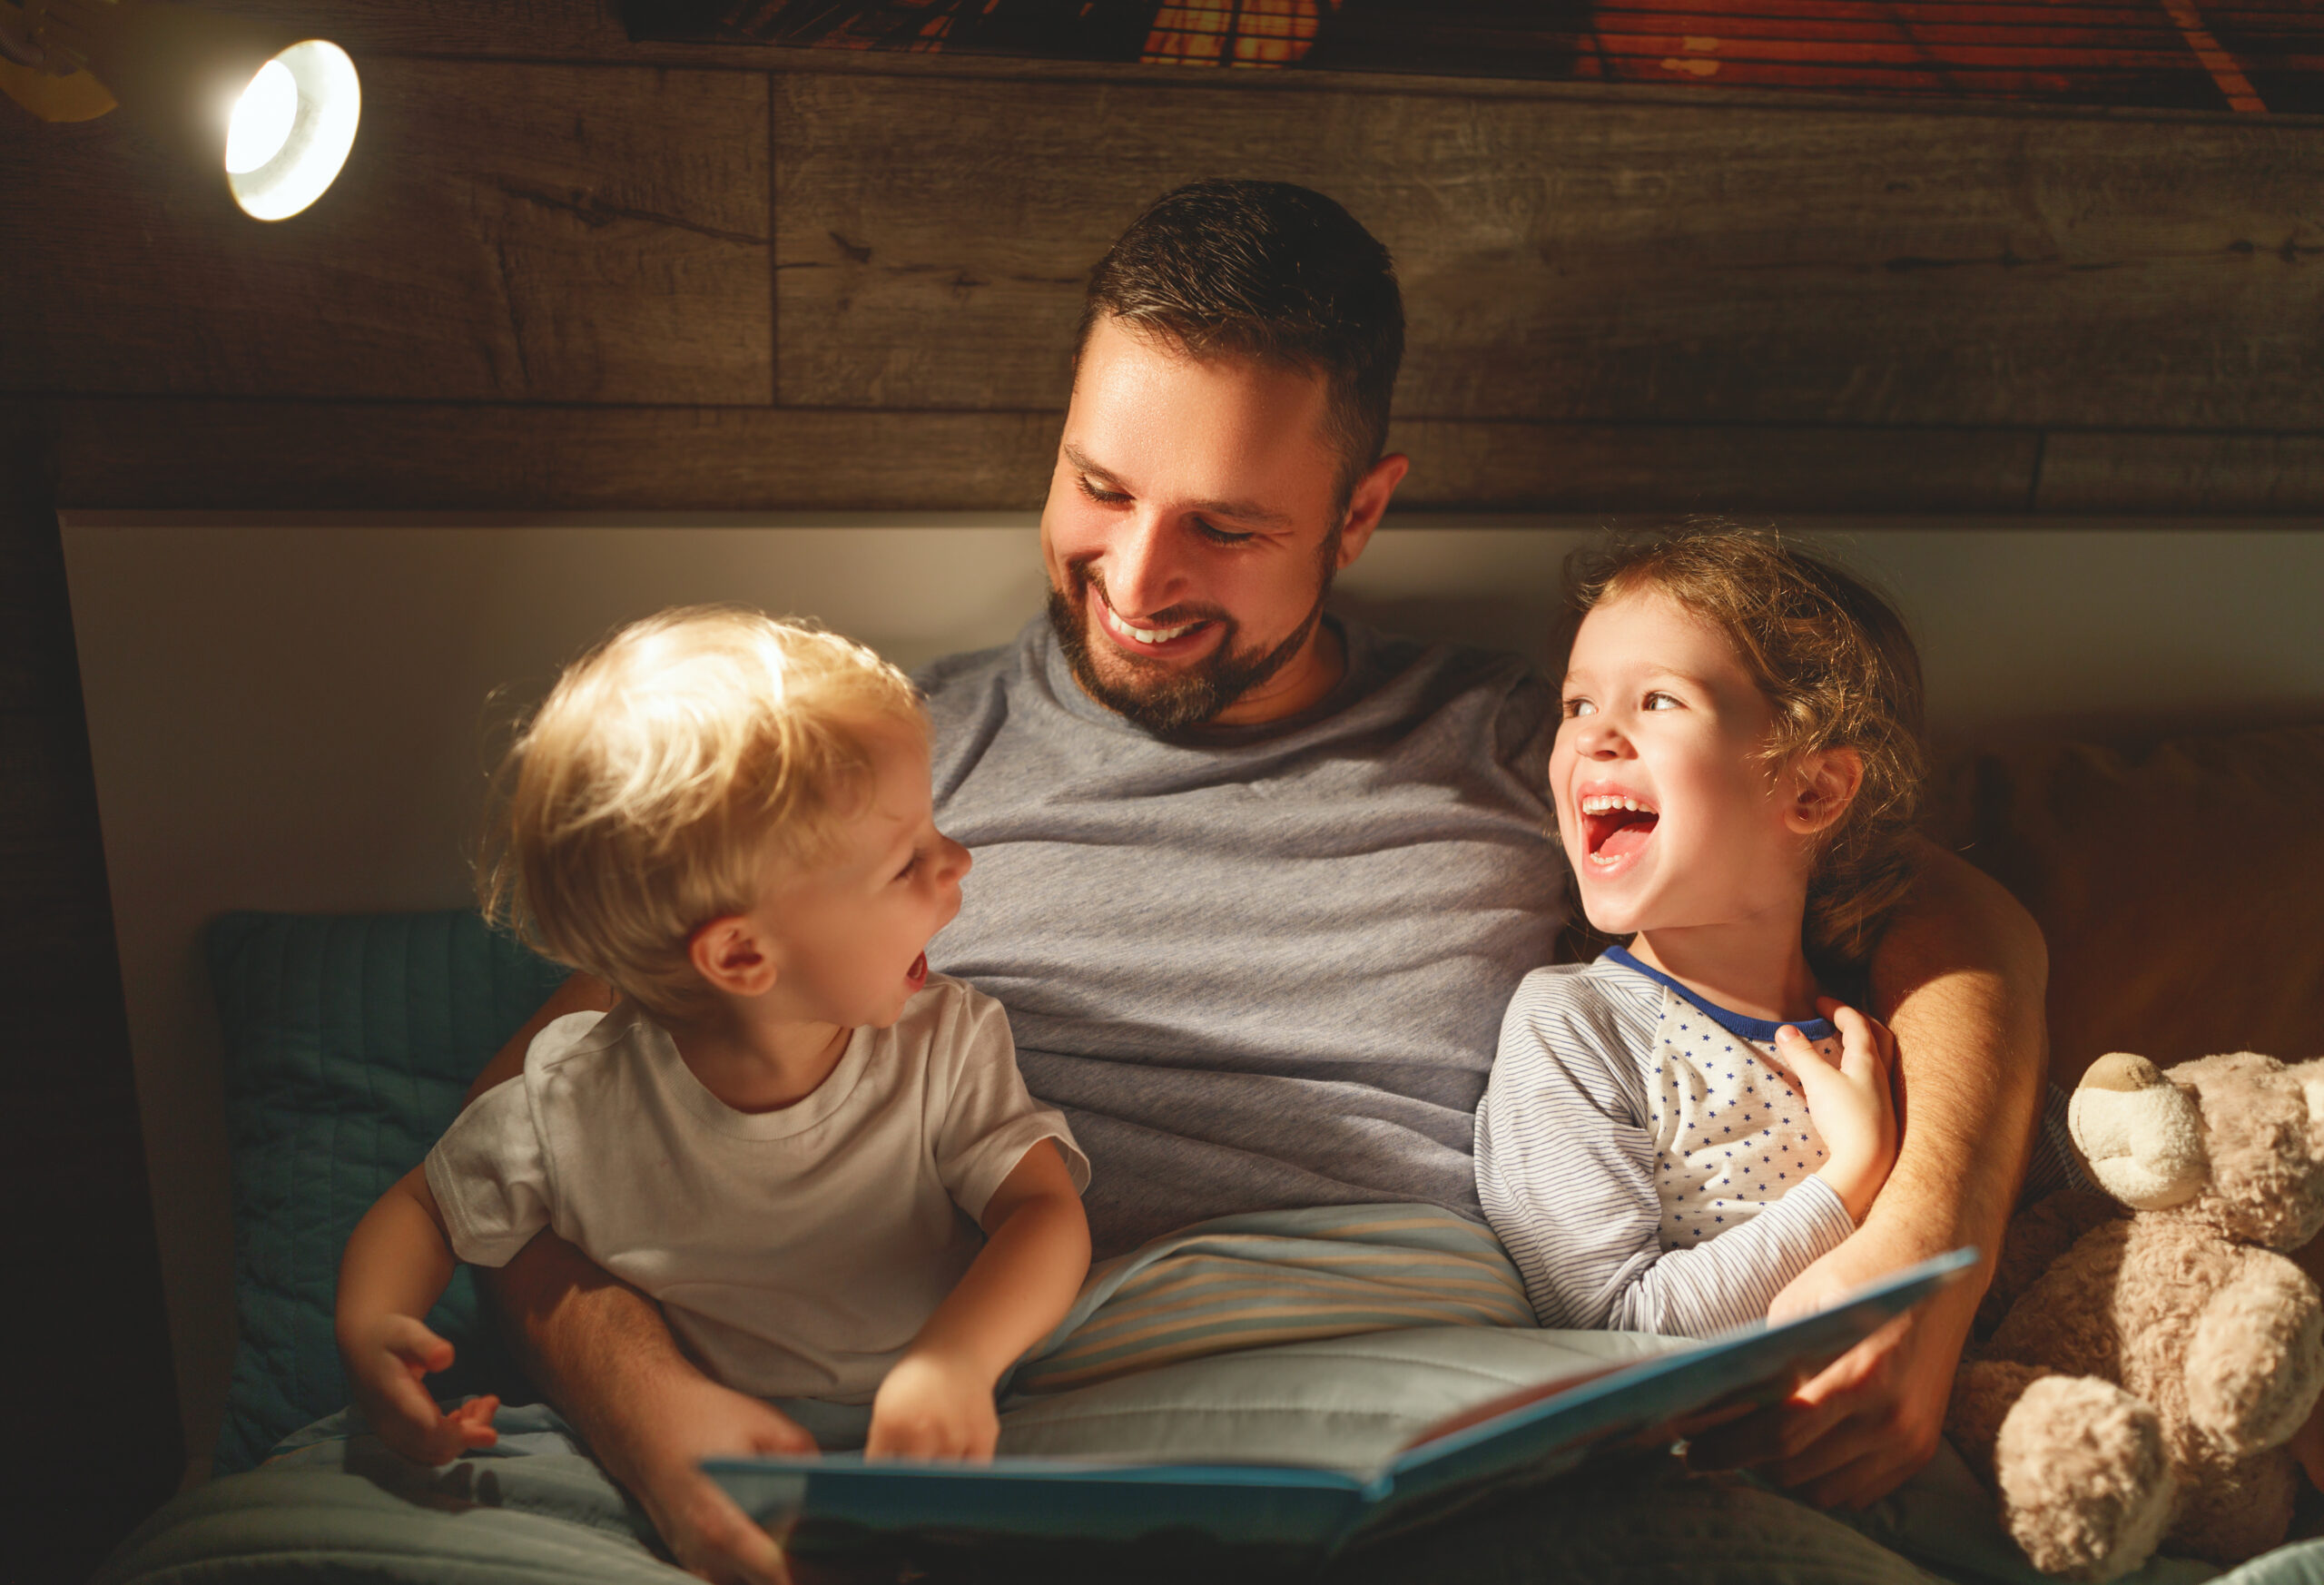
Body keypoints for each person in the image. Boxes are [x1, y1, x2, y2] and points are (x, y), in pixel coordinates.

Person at [468, 182, 2050, 1582]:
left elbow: (1956, 913)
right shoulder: (866, 765)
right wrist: (635, 1395)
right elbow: (551, 1087)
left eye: (1224, 527)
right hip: (1031, 1411)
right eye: (1101, 488)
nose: (1140, 579)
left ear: (1361, 512)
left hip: (1453, 1426)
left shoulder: (1541, 747)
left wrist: (1918, 1257)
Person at [336, 607, 1089, 1469]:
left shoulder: (943, 1044)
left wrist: (952, 1365)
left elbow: (1043, 1214)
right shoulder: (573, 1099)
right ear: (740, 954)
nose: (958, 861)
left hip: (944, 1431)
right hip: (712, 1464)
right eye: (905, 861)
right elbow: (423, 1207)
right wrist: (370, 1329)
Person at [1476, 530, 1918, 1336]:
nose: (1592, 736)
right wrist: (1850, 1180)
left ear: (1815, 791)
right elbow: (1608, 1323)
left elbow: (2079, 1172)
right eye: (1578, 704)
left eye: (1659, 700)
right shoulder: (1577, 1026)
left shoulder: (1881, 1025)